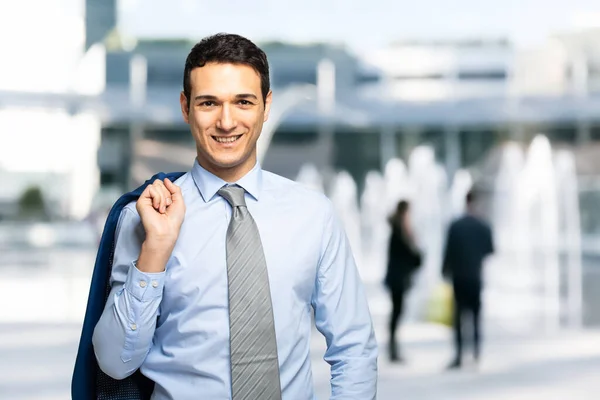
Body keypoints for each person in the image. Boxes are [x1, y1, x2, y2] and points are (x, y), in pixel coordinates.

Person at [91, 33, 378, 399]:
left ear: (266, 106)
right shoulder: (146, 216)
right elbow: (115, 362)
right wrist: (155, 253)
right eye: (209, 103)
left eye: (243, 102)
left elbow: (354, 346)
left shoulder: (314, 214)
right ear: (185, 107)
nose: (226, 122)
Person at [442, 190, 494, 369]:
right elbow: (490, 250)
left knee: (459, 318)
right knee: (476, 316)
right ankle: (476, 353)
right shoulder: (483, 225)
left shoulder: (455, 225)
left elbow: (447, 252)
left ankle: (458, 355)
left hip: (459, 276)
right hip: (475, 276)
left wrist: (445, 272)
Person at [384, 200, 422, 362]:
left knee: (397, 312)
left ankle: (393, 347)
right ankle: (392, 349)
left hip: (396, 279)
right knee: (396, 312)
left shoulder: (397, 230)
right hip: (398, 280)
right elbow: (413, 257)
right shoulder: (400, 232)